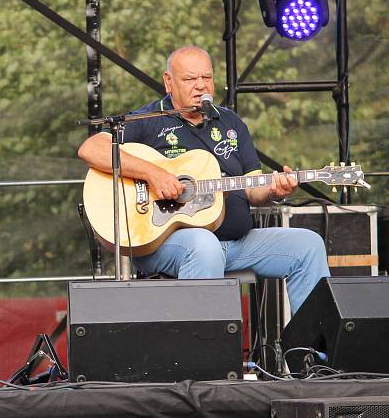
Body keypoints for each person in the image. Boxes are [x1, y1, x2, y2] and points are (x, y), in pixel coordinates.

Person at [77, 45, 329, 315]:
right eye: (189, 79)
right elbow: (91, 149)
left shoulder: (230, 122)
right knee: (204, 245)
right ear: (168, 82)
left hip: (237, 243)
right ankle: (205, 352)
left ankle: (310, 352)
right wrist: (153, 174)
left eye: (206, 78)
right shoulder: (149, 119)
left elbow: (253, 186)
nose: (200, 86)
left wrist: (275, 191)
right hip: (168, 244)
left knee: (308, 245)